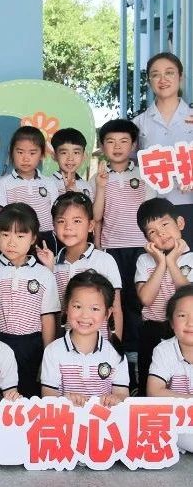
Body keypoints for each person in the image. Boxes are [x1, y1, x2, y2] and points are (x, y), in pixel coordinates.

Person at [0, 203, 60, 397]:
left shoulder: (44, 274)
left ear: (33, 238)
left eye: (20, 236)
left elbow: (47, 318)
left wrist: (46, 357)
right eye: (5, 235)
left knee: (28, 396)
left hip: (32, 345)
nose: (11, 242)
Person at [92, 118, 150, 386]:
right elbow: (96, 216)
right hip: (112, 249)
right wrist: (101, 187)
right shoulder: (98, 178)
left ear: (134, 145)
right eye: (110, 141)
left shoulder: (145, 174)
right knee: (114, 305)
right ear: (102, 146)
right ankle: (115, 356)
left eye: (124, 141)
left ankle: (135, 360)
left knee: (137, 304)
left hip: (141, 249)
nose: (117, 147)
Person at [37, 192, 123, 340]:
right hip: (63, 345)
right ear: (53, 226)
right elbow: (51, 310)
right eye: (61, 221)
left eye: (77, 221)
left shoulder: (104, 260)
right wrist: (49, 271)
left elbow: (115, 309)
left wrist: (115, 346)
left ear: (90, 225)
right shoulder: (52, 263)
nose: (68, 227)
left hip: (99, 345)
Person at [41, 271, 129, 407]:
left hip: (103, 419)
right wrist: (65, 400)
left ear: (107, 313)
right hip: (67, 419)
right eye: (77, 306)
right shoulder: (53, 351)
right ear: (66, 308)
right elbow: (48, 396)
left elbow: (122, 394)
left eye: (95, 309)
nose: (85, 315)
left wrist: (115, 399)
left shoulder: (115, 353)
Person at [134, 52, 193, 246]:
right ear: (149, 80)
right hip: (155, 212)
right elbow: (129, 165)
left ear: (180, 76)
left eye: (169, 73)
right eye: (155, 74)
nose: (163, 79)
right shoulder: (139, 123)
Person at [135, 198, 193, 388]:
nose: (161, 233)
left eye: (165, 224)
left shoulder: (191, 258)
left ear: (180, 223)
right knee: (148, 383)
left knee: (180, 381)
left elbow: (188, 295)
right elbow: (146, 298)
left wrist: (172, 263)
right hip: (153, 328)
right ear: (147, 240)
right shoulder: (144, 260)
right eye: (152, 232)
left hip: (185, 330)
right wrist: (161, 263)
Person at [0, 126, 59, 253]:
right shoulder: (4, 183)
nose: (25, 158)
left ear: (42, 154)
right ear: (11, 153)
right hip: (17, 238)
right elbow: (2, 215)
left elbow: (56, 213)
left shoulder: (49, 183)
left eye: (32, 153)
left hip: (45, 237)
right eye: (20, 152)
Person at [50, 128, 92, 197]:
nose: (70, 158)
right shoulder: (47, 184)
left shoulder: (87, 186)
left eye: (76, 152)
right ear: (54, 156)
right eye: (64, 153)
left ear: (84, 156)